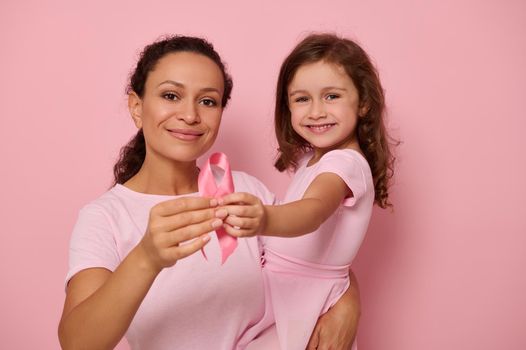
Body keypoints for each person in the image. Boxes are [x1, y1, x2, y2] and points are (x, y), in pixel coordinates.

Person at [58, 35, 361, 350]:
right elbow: (77, 343)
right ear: (137, 107)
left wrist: (349, 301)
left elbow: (315, 259)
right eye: (171, 95)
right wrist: (146, 257)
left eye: (207, 101)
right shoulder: (105, 218)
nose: (190, 115)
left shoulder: (245, 192)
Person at [218, 33, 396, 350]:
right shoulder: (312, 159)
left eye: (331, 96)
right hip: (281, 294)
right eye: (302, 99)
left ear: (364, 103)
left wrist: (264, 219)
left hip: (305, 301)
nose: (316, 111)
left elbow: (313, 211)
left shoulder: (345, 164)